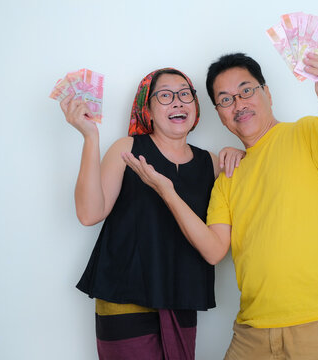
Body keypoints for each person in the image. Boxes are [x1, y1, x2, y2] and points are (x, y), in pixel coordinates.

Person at [123, 49, 318, 359]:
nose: (238, 104)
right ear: (218, 112)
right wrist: (167, 192)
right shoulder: (228, 175)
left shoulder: (307, 132)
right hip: (253, 332)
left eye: (246, 90)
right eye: (225, 99)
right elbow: (213, 249)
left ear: (267, 93)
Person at [60, 67, 244, 360]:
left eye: (185, 94)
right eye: (166, 96)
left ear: (195, 107)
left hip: (181, 297)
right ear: (147, 109)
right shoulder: (128, 149)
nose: (178, 102)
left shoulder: (212, 163)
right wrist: (90, 138)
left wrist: (239, 154)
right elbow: (89, 213)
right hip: (123, 295)